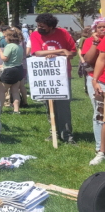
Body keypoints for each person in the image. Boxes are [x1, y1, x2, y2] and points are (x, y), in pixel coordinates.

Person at [29, 13, 77, 145]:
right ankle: (54, 133)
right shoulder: (35, 35)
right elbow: (37, 52)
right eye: (38, 25)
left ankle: (67, 135)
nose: (39, 28)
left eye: (42, 26)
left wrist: (64, 53)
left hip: (62, 76)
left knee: (63, 107)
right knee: (49, 106)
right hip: (45, 76)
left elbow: (73, 52)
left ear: (51, 26)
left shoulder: (63, 33)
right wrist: (61, 51)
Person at [83, 18, 105, 163]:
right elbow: (90, 60)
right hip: (100, 82)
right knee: (100, 114)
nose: (103, 29)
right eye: (100, 27)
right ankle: (100, 149)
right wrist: (95, 80)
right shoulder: (91, 41)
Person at [0, 30, 24, 113]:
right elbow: (14, 60)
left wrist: (0, 51)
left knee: (2, 90)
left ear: (8, 37)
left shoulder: (9, 46)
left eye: (5, 36)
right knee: (15, 91)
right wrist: (4, 65)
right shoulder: (19, 46)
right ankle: (16, 110)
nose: (4, 38)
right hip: (19, 69)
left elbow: (5, 58)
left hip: (10, 71)